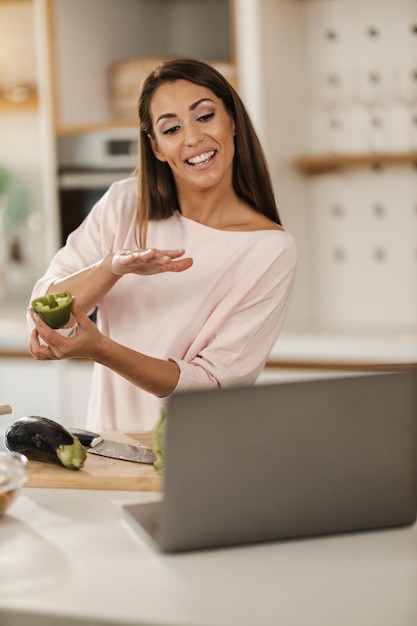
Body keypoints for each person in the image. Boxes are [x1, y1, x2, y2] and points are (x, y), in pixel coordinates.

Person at [28, 58, 297, 432]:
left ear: (232, 121)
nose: (192, 138)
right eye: (171, 128)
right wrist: (111, 269)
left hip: (198, 457)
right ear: (156, 147)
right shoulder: (125, 205)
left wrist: (102, 349)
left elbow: (213, 385)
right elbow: (43, 308)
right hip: (108, 452)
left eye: (204, 117)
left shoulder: (268, 249)